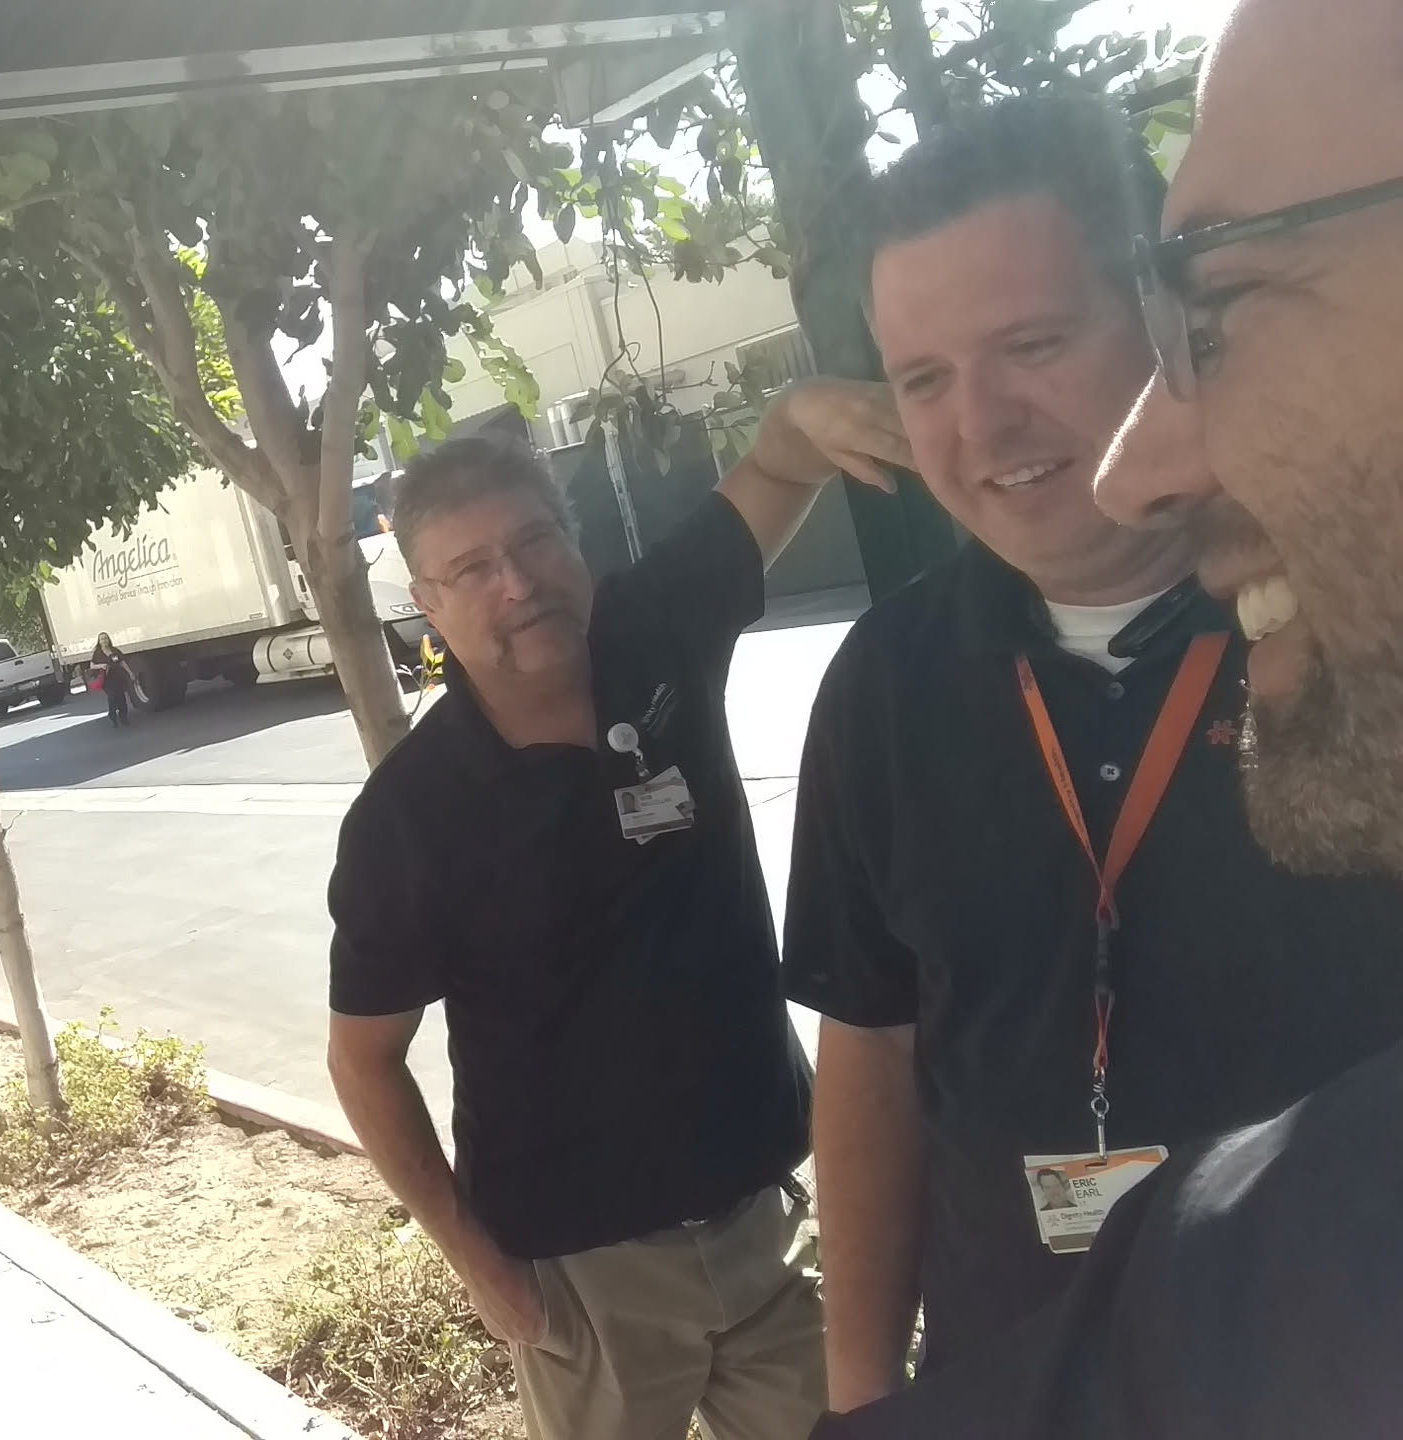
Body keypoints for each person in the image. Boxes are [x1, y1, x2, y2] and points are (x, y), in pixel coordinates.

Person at [813, 4, 1403, 1432]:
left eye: (1031, 344)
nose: (980, 425)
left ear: (1165, 316)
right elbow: (870, 1050)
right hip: (1006, 1384)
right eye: (924, 379)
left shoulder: (1347, 624)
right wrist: (858, 1389)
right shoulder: (883, 684)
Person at [324, 414, 869, 1440]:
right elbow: (363, 1061)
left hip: (763, 1221)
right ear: (427, 604)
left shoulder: (655, 632)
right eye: (473, 569)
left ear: (572, 540)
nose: (518, 584)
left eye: (534, 540)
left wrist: (830, 409)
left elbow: (778, 466)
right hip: (583, 1281)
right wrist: (477, 1267)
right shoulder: (411, 818)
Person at [88, 633, 133, 728]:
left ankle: (123, 717)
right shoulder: (98, 654)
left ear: (108, 640)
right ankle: (113, 717)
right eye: (102, 639)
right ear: (99, 642)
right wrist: (101, 665)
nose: (104, 640)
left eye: (105, 638)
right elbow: (92, 666)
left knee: (121, 697)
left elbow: (122, 662)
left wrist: (130, 673)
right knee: (112, 697)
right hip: (107, 680)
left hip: (118, 678)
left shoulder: (115, 651)